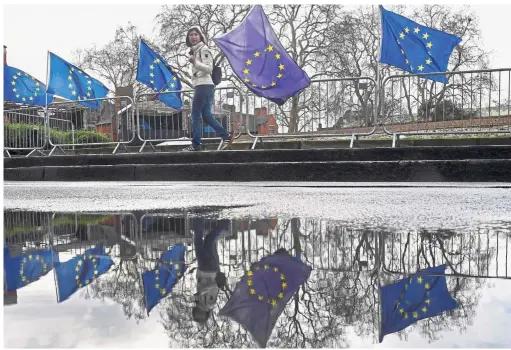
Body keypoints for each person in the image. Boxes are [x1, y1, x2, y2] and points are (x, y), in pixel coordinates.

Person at [183, 26, 233, 152]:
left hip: (203, 86)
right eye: (191, 35)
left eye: (195, 34)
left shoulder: (204, 49)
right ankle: (226, 135)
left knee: (195, 115)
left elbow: (209, 69)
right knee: (206, 115)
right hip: (204, 86)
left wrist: (195, 62)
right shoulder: (195, 51)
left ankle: (196, 144)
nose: (193, 37)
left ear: (200, 36)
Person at [191, 217, 230, 324]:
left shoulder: (199, 302)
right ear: (206, 315)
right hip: (207, 271)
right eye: (201, 317)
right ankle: (199, 219)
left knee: (209, 241)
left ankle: (224, 224)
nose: (199, 314)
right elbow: (213, 287)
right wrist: (201, 292)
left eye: (197, 316)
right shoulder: (209, 304)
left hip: (206, 270)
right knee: (198, 242)